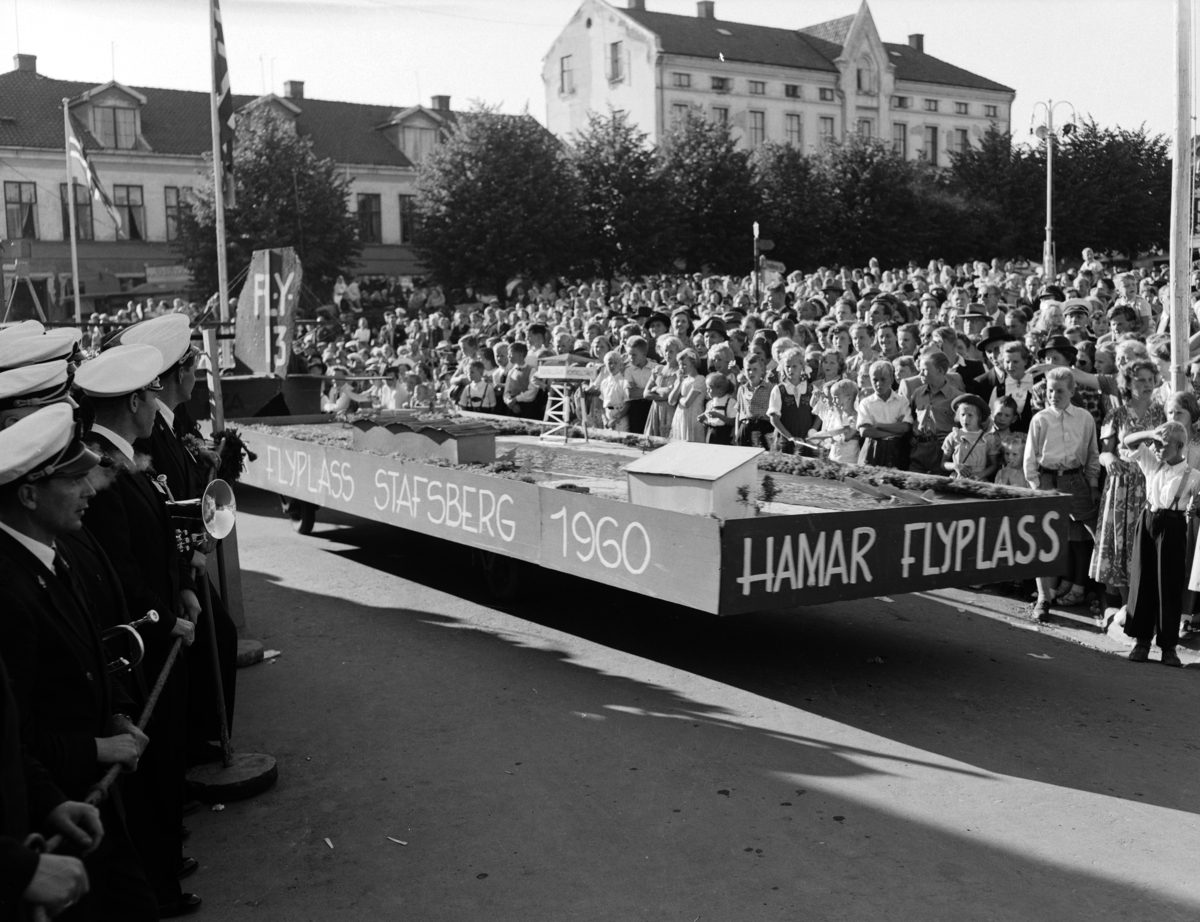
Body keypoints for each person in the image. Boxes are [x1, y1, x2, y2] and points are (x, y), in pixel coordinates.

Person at [0, 403, 159, 921]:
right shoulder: (8, 591)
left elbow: (83, 664)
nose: (91, 489)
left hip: (73, 809)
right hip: (51, 830)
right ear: (28, 495)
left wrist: (114, 714)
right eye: (73, 480)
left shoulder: (50, 550)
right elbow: (16, 734)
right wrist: (96, 748)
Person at [74, 346, 203, 918]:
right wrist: (165, 614)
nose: (158, 403)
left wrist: (182, 586)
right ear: (133, 401)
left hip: (160, 625)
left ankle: (165, 860)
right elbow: (121, 575)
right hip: (145, 645)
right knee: (153, 768)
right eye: (152, 394)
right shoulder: (103, 470)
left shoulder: (126, 457)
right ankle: (160, 881)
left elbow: (153, 545)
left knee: (167, 758)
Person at [1024, 367, 1101, 620]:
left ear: (1072, 391)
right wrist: (1037, 489)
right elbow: (1030, 460)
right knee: (1046, 541)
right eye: (1050, 390)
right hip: (1047, 481)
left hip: (1076, 481)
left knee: (1088, 537)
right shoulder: (1041, 419)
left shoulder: (1084, 418)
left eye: (1060, 391)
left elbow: (1092, 454)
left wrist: (1092, 486)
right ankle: (1044, 599)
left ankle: (1094, 592)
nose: (1053, 395)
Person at [1122, 422, 1200, 666]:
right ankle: (1141, 641)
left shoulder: (1194, 476)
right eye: (1154, 443)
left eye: (1162, 444)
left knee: (1169, 584)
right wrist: (1150, 434)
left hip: (1174, 526)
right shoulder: (1152, 463)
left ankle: (1168, 646)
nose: (1155, 448)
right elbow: (1128, 441)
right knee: (1142, 579)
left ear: (1179, 447)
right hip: (1148, 521)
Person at [856, 361, 912, 468]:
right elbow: (865, 431)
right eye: (875, 380)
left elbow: (905, 427)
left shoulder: (901, 401)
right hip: (872, 448)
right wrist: (894, 431)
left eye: (883, 379)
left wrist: (878, 425)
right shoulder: (866, 403)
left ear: (891, 379)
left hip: (896, 449)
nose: (878, 384)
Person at [767, 348, 817, 454]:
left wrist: (811, 434)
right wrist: (790, 437)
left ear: (802, 367)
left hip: (806, 440)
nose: (790, 370)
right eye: (787, 366)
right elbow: (774, 419)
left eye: (794, 366)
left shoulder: (811, 389)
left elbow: (819, 415)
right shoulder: (779, 390)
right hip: (785, 441)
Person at [942, 394, 1000, 481]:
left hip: (979, 481)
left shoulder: (988, 438)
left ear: (979, 417)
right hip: (958, 480)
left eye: (970, 415)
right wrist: (955, 466)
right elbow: (943, 463)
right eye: (962, 414)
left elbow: (994, 465)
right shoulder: (953, 436)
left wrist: (980, 475)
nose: (965, 419)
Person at [668, 349, 705, 443]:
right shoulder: (683, 380)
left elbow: (687, 402)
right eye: (680, 364)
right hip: (681, 416)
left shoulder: (700, 379)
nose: (681, 367)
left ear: (693, 363)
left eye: (684, 364)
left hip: (693, 417)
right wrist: (679, 382)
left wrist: (680, 398)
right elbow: (671, 401)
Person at [702, 373, 735, 445]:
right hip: (711, 435)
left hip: (724, 436)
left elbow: (733, 422)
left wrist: (718, 416)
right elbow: (706, 423)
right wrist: (703, 419)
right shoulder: (710, 403)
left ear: (721, 389)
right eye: (707, 388)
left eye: (710, 388)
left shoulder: (731, 402)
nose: (707, 391)